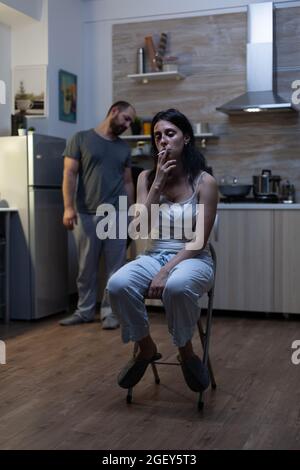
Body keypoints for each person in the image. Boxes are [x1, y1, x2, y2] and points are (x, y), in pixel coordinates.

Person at [107, 108, 218, 392]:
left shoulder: (204, 182)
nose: (163, 141)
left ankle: (186, 352)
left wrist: (166, 271)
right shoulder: (146, 178)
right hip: (154, 254)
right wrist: (156, 184)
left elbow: (199, 241)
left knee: (177, 287)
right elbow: (137, 229)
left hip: (193, 257)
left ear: (186, 138)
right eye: (158, 136)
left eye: (170, 133)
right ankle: (146, 347)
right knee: (118, 284)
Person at [59, 101, 135, 328]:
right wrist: (68, 207)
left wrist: (131, 213)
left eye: (130, 121)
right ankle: (84, 311)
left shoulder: (124, 148)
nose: (128, 125)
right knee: (86, 267)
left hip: (117, 213)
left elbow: (128, 182)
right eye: (126, 118)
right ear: (114, 112)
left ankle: (110, 313)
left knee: (116, 268)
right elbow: (69, 174)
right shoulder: (80, 138)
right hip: (86, 212)